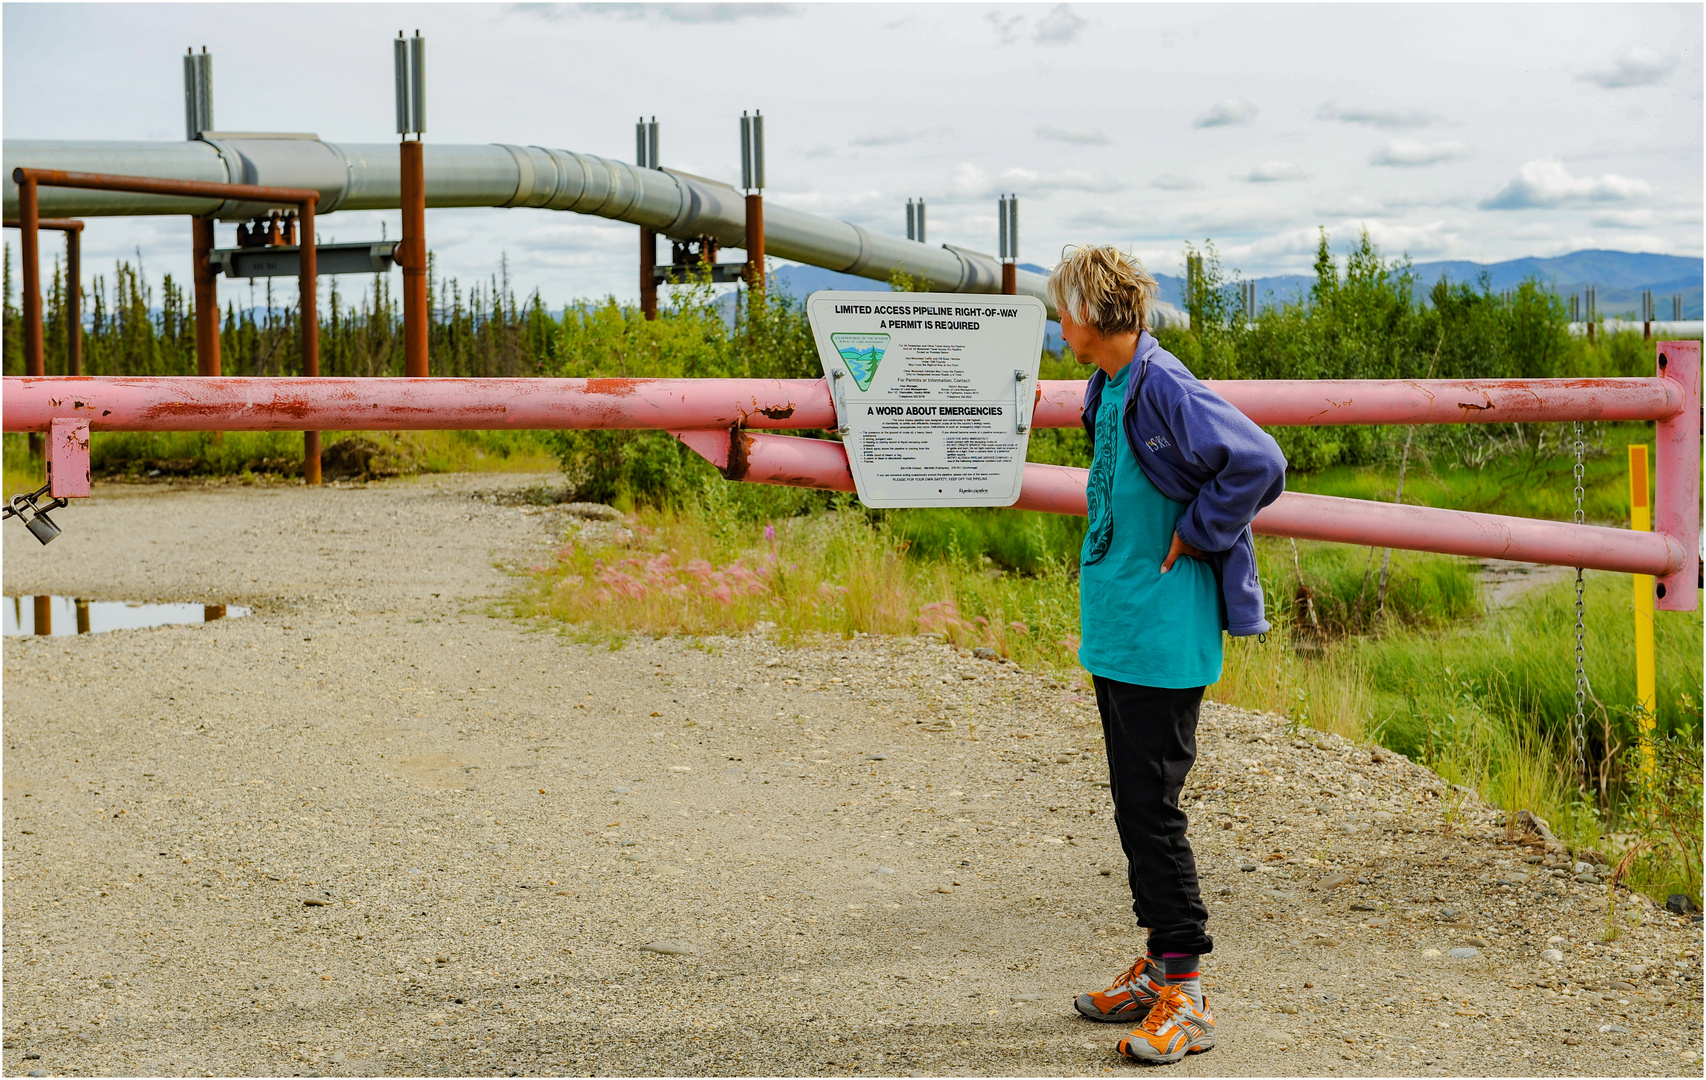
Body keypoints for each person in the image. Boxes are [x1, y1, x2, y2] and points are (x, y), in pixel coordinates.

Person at [1048, 246, 1287, 1065]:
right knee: (1131, 806)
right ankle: (1157, 970)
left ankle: (1186, 991)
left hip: (1161, 637)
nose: (1059, 322)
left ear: (1095, 312)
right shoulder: (1108, 384)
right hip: (1118, 627)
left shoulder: (1166, 386)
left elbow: (1259, 462)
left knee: (1153, 812)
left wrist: (1199, 532)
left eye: (1064, 309)